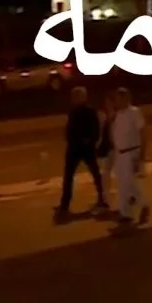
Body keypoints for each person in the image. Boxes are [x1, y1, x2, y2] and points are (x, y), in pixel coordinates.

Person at [56, 86, 106, 217]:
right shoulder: (73, 110)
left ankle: (102, 196)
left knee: (95, 173)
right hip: (73, 147)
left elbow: (95, 129)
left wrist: (89, 141)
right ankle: (65, 203)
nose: (73, 99)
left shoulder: (89, 111)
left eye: (76, 96)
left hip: (85, 148)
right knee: (69, 176)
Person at [109, 88, 149, 228]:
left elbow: (143, 133)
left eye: (119, 99)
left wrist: (141, 155)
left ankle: (128, 212)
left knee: (128, 184)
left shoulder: (134, 112)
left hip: (131, 153)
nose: (116, 102)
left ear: (126, 99)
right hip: (120, 154)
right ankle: (139, 205)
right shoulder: (118, 115)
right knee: (125, 184)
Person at [97, 91, 117, 203]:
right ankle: (105, 196)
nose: (107, 104)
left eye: (109, 102)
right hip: (110, 147)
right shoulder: (103, 115)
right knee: (106, 172)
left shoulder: (117, 115)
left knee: (110, 172)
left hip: (117, 147)